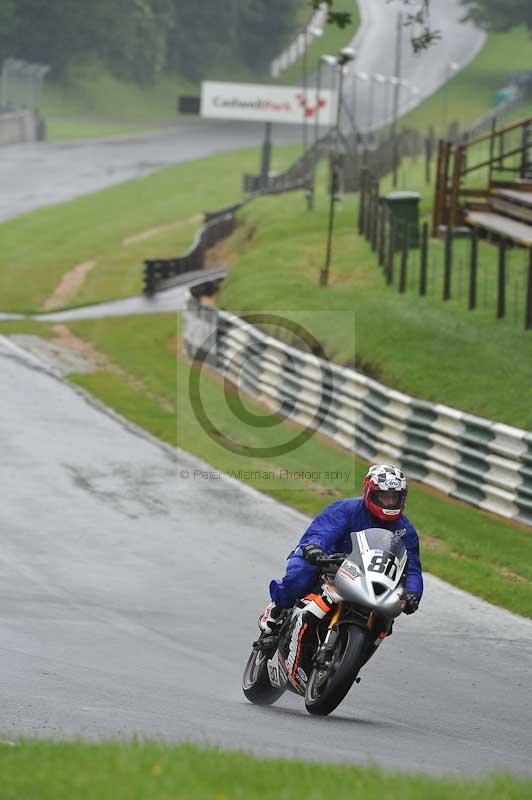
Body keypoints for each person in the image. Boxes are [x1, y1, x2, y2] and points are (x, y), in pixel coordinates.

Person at [258, 464, 423, 639]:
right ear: (369, 492)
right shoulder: (345, 509)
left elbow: (411, 567)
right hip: (330, 564)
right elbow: (322, 533)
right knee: (301, 572)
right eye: (384, 496)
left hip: (371, 579)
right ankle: (279, 606)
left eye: (394, 497)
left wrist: (413, 592)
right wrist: (316, 548)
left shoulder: (406, 530)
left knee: (386, 618)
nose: (389, 502)